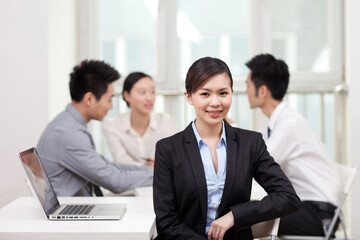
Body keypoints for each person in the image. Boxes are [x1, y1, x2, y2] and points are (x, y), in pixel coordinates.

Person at [153, 56, 300, 240]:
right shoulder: (168, 149)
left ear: (232, 93)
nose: (215, 102)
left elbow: (288, 197)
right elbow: (166, 224)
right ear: (189, 97)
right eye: (205, 94)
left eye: (223, 93)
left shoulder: (250, 143)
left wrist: (235, 215)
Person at [244, 53, 341, 236]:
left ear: (263, 91)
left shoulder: (290, 125)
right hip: (303, 207)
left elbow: (256, 165)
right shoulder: (274, 125)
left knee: (244, 217)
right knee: (243, 214)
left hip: (318, 214)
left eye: (248, 85)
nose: (246, 91)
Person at [37, 60, 153, 197]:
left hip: (75, 204)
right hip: (69, 210)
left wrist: (148, 170)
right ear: (89, 99)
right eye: (109, 100)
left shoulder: (68, 124)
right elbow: (115, 182)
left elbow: (107, 167)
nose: (111, 107)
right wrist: (162, 174)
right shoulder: (69, 133)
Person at [103, 72, 177, 166]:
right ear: (127, 96)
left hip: (161, 178)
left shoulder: (166, 121)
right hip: (129, 179)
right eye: (142, 92)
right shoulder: (112, 124)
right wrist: (145, 167)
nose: (149, 98)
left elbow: (175, 157)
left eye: (152, 92)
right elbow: (120, 160)